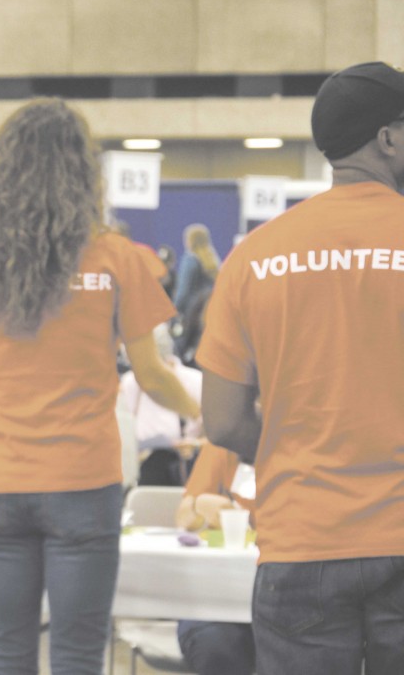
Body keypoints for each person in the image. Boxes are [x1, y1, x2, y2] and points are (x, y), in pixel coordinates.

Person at [0, 98, 201, 675]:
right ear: (84, 170)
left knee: (6, 649)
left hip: (0, 483)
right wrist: (204, 414)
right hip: (84, 479)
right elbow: (152, 373)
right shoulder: (116, 258)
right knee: (79, 655)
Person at [198, 61, 404, 675]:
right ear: (389, 138)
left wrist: (297, 448)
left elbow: (222, 420)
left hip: (301, 540)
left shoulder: (254, 257)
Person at [173, 442, 256, 675]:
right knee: (217, 647)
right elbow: (183, 518)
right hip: (217, 599)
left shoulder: (302, 444)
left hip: (290, 599)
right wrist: (198, 505)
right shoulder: (223, 444)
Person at [119, 324, 203, 486]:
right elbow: (123, 435)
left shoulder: (195, 381)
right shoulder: (130, 383)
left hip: (187, 469)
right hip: (144, 471)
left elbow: (218, 437)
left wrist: (196, 445)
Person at [172, 223, 220, 316]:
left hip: (192, 314)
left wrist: (173, 311)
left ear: (190, 241)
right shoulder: (212, 261)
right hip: (208, 312)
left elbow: (183, 292)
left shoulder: (190, 260)